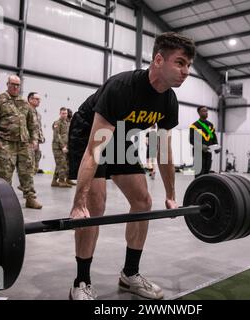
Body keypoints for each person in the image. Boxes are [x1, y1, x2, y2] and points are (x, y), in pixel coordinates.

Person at [67, 32, 195, 300]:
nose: (186, 71)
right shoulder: (122, 88)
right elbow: (94, 150)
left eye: (189, 65)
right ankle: (81, 281)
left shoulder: (169, 99)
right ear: (159, 60)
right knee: (95, 207)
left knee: (143, 202)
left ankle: (130, 274)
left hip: (122, 135)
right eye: (180, 63)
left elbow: (163, 152)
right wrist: (79, 203)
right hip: (91, 131)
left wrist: (171, 196)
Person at [0, 75, 42, 209]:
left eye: (18, 85)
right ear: (7, 84)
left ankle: (30, 198)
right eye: (13, 84)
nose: (16, 87)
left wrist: (34, 139)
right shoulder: (0, 100)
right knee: (5, 172)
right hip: (6, 142)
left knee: (27, 172)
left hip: (24, 143)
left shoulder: (24, 103)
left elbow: (32, 124)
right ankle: (3, 200)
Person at [189, 106, 219, 178]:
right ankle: (198, 188)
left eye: (206, 111)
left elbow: (213, 138)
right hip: (198, 152)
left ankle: (205, 188)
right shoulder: (195, 125)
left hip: (208, 152)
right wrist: (201, 146)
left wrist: (216, 146)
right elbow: (192, 140)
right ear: (199, 113)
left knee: (206, 172)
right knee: (199, 172)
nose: (206, 112)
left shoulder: (210, 125)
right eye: (203, 111)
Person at [52, 107, 72, 188]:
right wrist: (63, 146)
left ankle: (54, 181)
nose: (64, 115)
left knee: (60, 164)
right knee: (62, 164)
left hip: (65, 146)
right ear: (60, 113)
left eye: (66, 113)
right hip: (58, 147)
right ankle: (61, 181)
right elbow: (57, 136)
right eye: (63, 113)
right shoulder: (57, 123)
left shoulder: (67, 123)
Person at [28, 92, 45, 174]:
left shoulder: (38, 114)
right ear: (30, 99)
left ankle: (29, 185)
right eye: (37, 99)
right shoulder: (26, 110)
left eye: (39, 99)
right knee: (28, 166)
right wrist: (30, 141)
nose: (39, 101)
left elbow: (38, 128)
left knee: (35, 165)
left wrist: (39, 140)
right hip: (28, 143)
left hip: (36, 143)